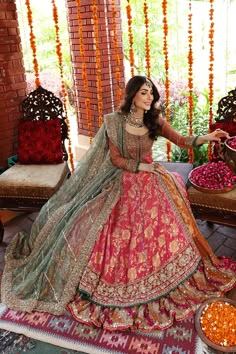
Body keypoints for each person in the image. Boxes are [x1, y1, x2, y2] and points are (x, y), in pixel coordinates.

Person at [2, 76, 236, 332]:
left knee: (159, 226)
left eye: (151, 94)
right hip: (122, 180)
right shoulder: (115, 122)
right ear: (133, 95)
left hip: (153, 181)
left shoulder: (154, 120)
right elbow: (115, 159)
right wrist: (140, 166)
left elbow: (182, 140)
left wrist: (208, 136)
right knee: (87, 222)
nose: (150, 98)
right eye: (144, 93)